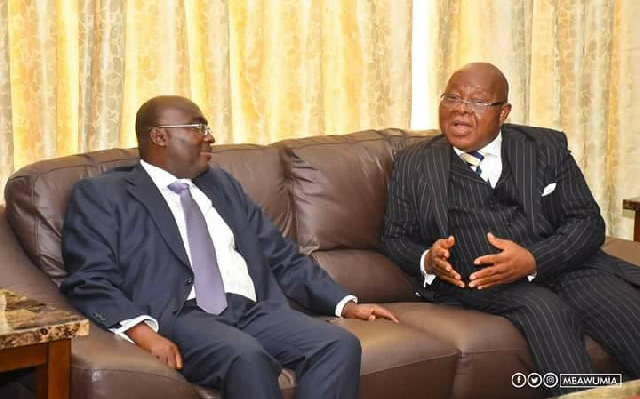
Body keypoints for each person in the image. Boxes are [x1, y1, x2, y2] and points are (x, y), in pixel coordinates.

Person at [61, 95, 398, 399]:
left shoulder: (219, 183)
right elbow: (90, 279)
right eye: (198, 127)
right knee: (246, 356)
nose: (210, 137)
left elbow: (278, 253)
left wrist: (344, 304)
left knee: (337, 344)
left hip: (252, 309)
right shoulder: (104, 194)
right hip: (182, 315)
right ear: (160, 136)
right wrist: (142, 333)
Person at [380, 62, 640, 395]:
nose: (460, 109)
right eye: (452, 98)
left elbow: (587, 220)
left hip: (563, 265)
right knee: (546, 312)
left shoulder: (545, 146)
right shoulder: (413, 162)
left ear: (503, 112)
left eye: (476, 102)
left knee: (618, 306)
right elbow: (395, 237)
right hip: (479, 280)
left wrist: (534, 259)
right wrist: (428, 260)